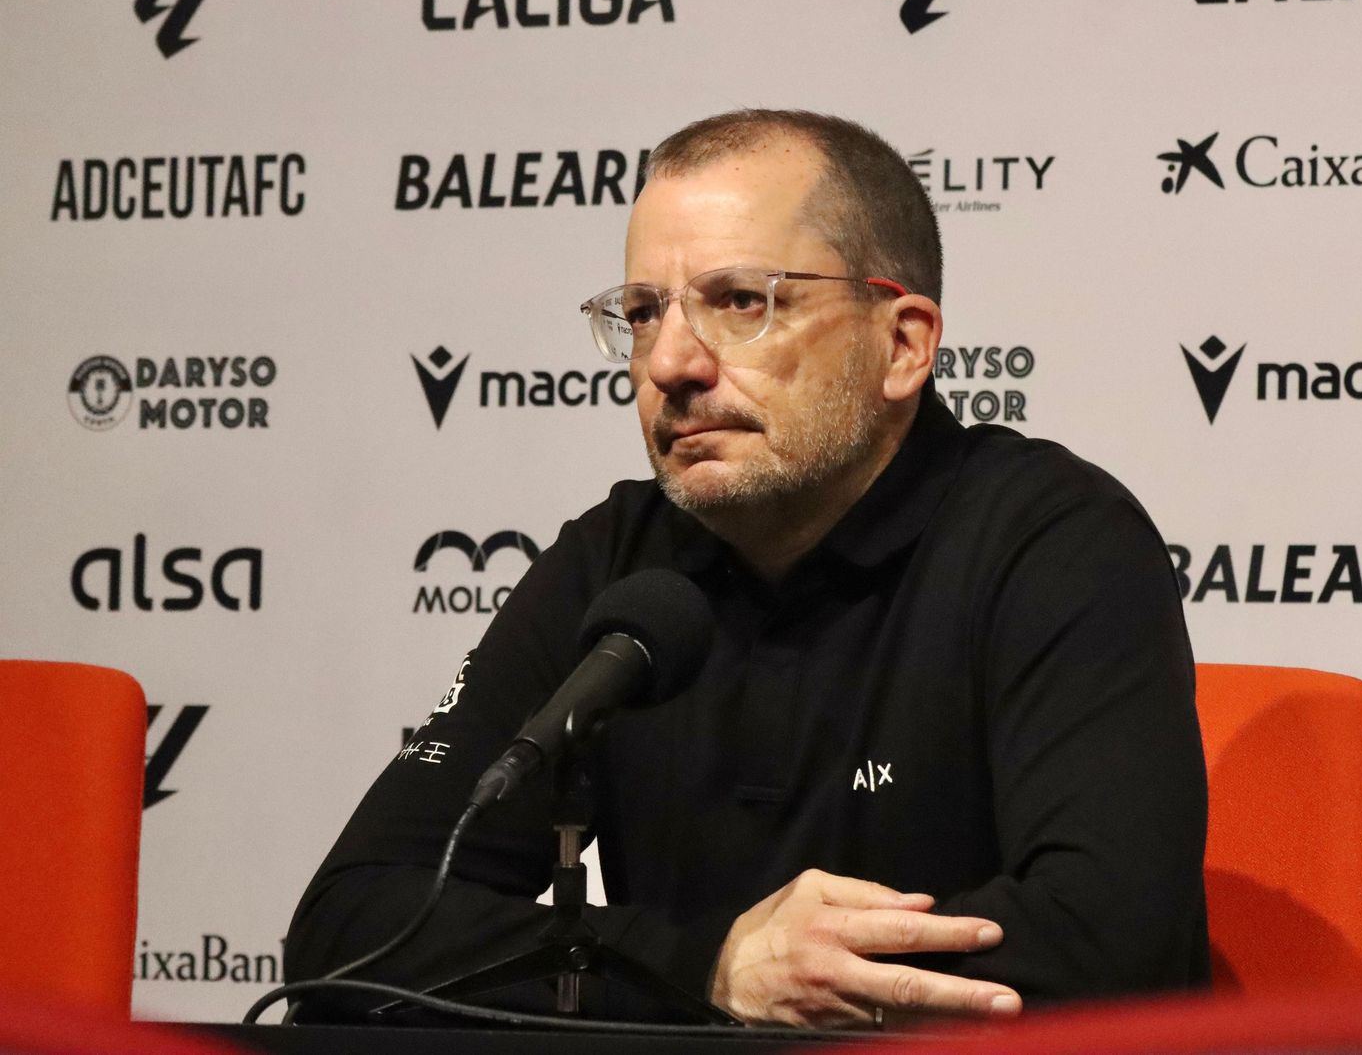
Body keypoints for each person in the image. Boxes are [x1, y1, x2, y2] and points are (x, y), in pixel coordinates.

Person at [285, 109, 1209, 1029]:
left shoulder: (1052, 541)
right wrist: (710, 967)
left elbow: (1110, 942)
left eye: (739, 302)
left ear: (902, 345)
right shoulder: (615, 565)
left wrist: (778, 982)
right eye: (643, 313)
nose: (671, 363)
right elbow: (348, 930)